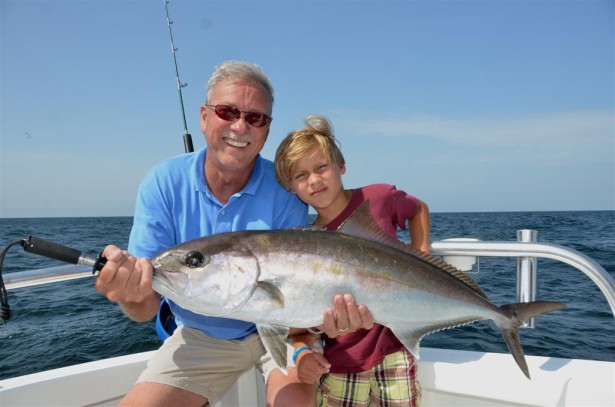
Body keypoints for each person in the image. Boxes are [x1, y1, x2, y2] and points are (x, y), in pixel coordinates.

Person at [95, 61, 374, 407]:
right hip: (202, 335)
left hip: (281, 331)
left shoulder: (285, 188)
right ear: (203, 117)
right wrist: (130, 293)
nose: (240, 126)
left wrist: (323, 324)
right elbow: (145, 309)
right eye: (228, 111)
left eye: (256, 118)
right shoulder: (163, 184)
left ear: (267, 129)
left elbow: (298, 292)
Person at [274, 115, 430, 407]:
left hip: (395, 349)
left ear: (341, 166)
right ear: (291, 187)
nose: (314, 180)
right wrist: (302, 355)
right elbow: (298, 329)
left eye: (321, 167)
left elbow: (418, 208)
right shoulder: (305, 246)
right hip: (340, 362)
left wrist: (422, 255)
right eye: (301, 175)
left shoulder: (378, 198)